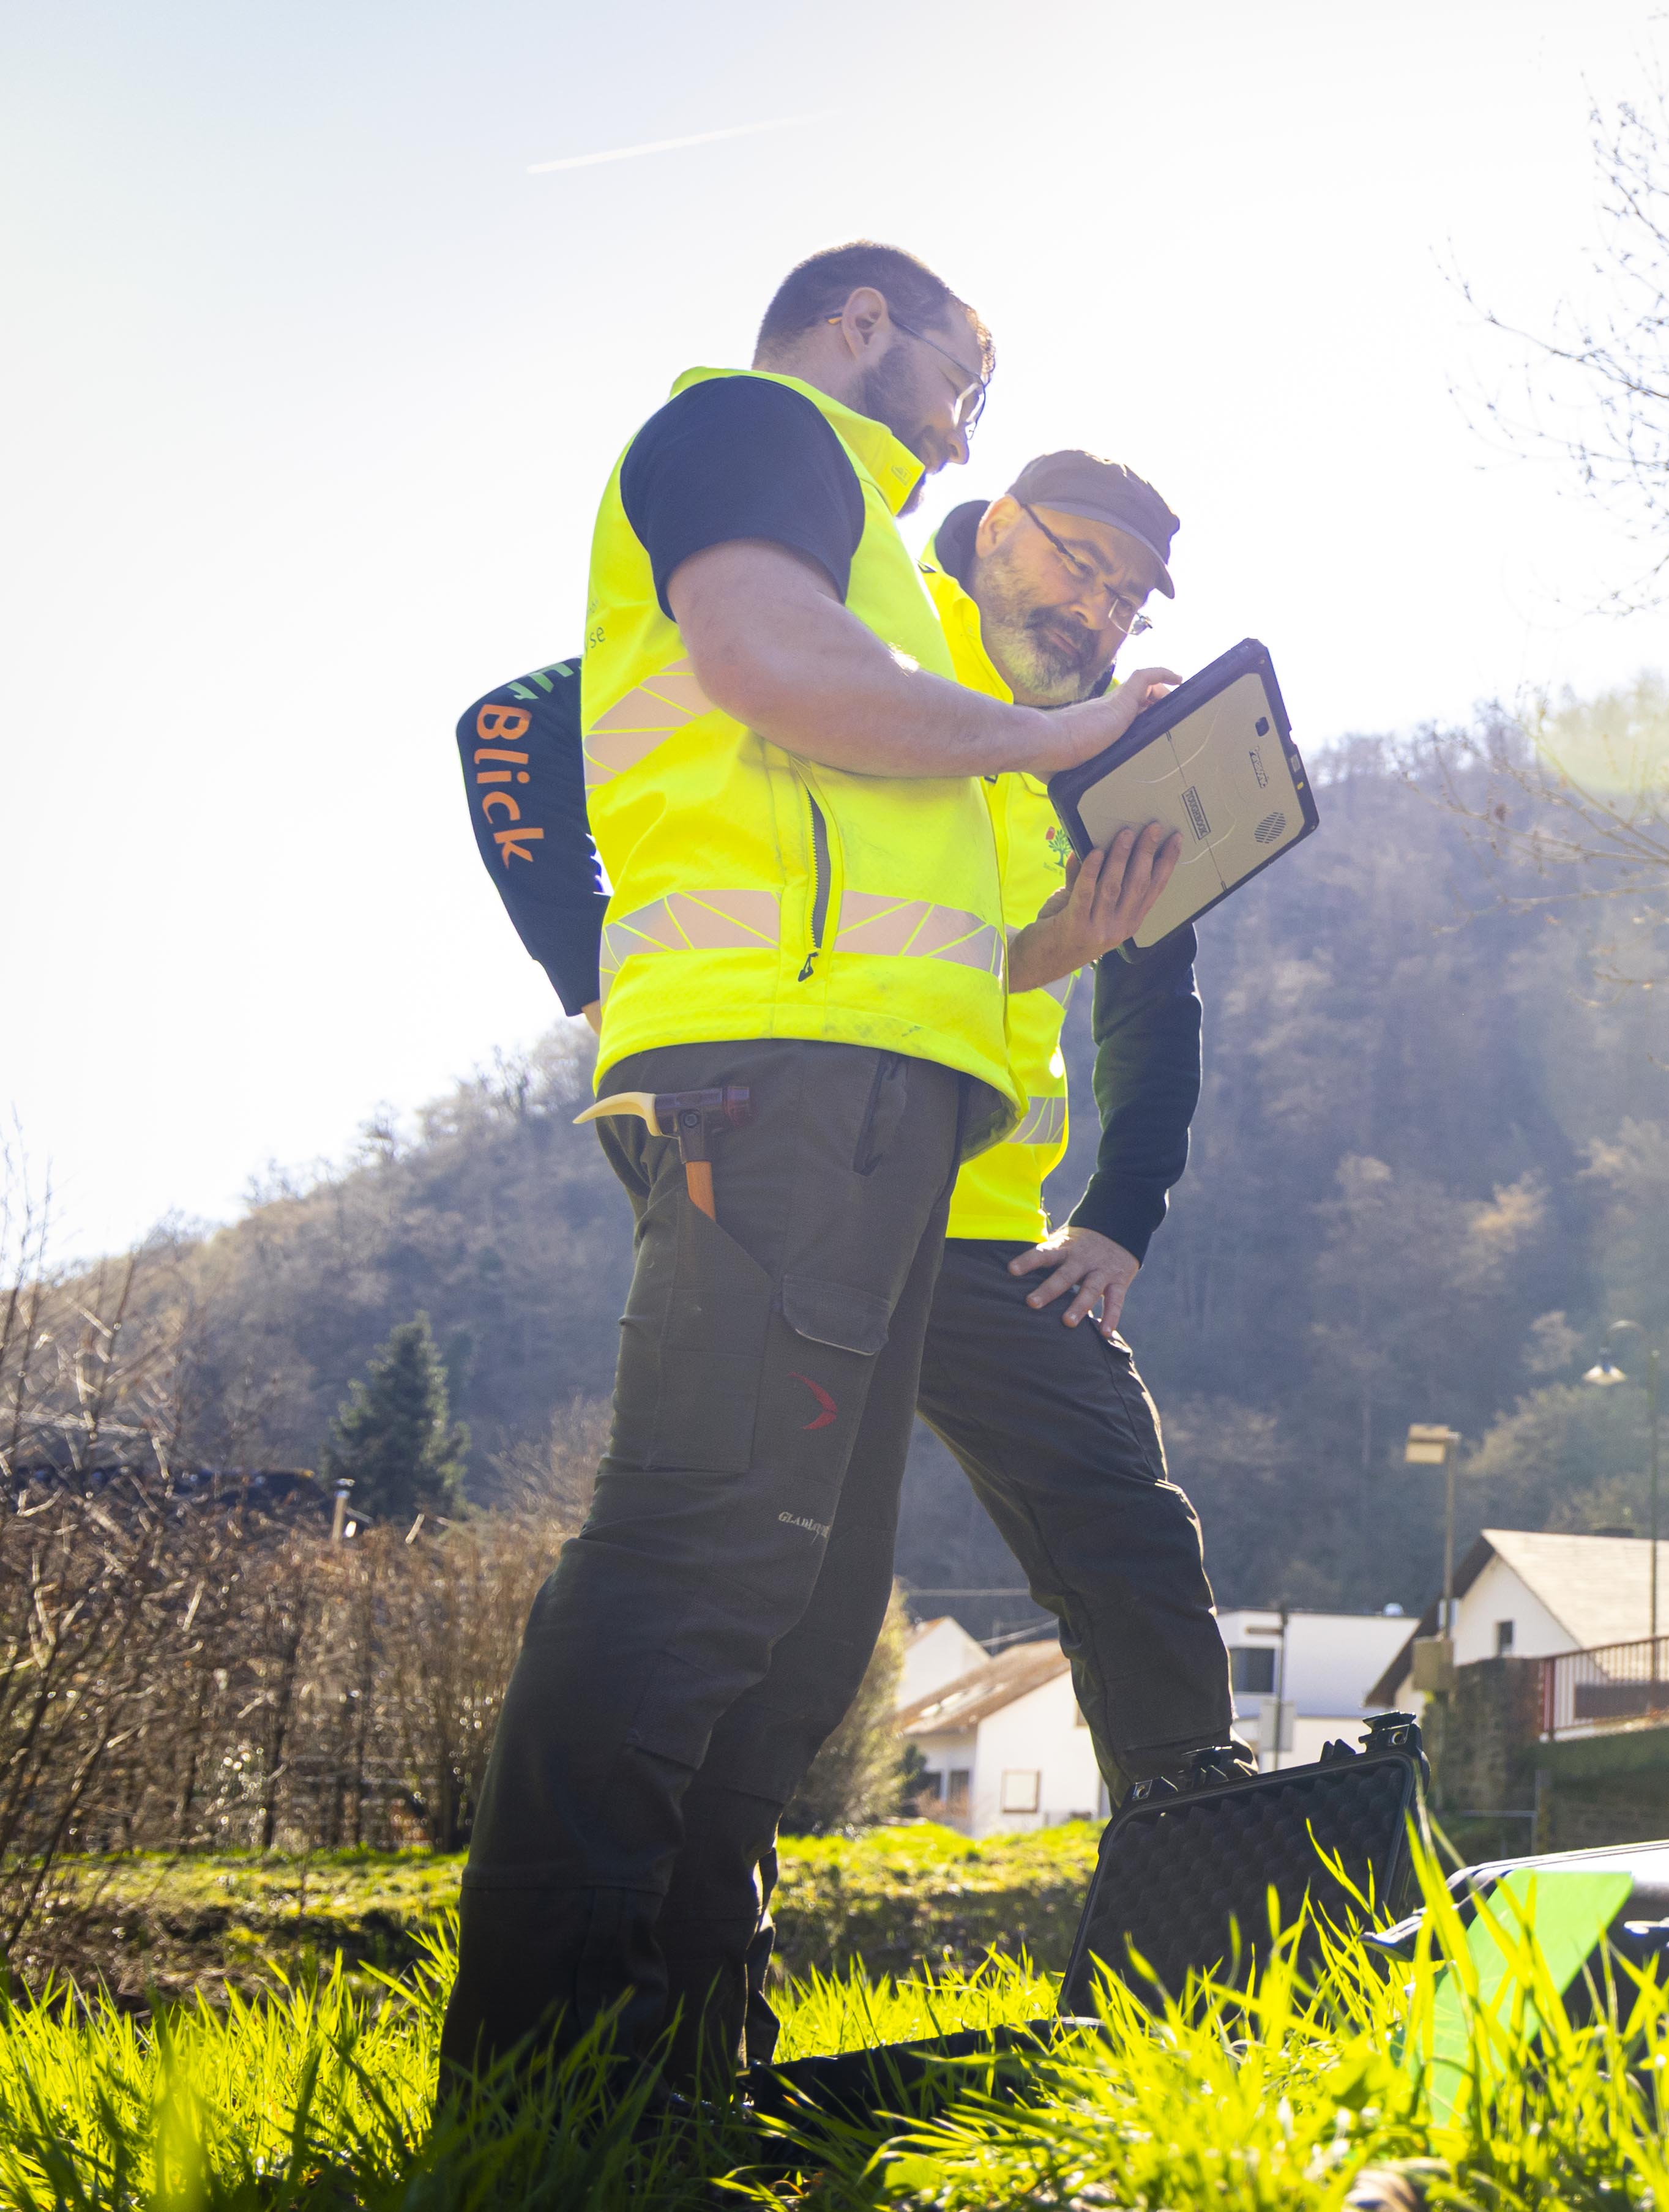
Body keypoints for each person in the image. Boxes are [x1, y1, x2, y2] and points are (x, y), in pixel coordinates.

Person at [439, 242, 1195, 2095]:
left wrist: (1079, 934)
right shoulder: (766, 447)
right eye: (958, 387)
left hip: (890, 1128)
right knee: (702, 1556)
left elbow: (954, 929)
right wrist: (606, 973)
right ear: (864, 327)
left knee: (795, 1609)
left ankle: (688, 2061)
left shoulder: (918, 618)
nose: (959, 435)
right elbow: (755, 678)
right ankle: (556, 2084)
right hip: (776, 1087)